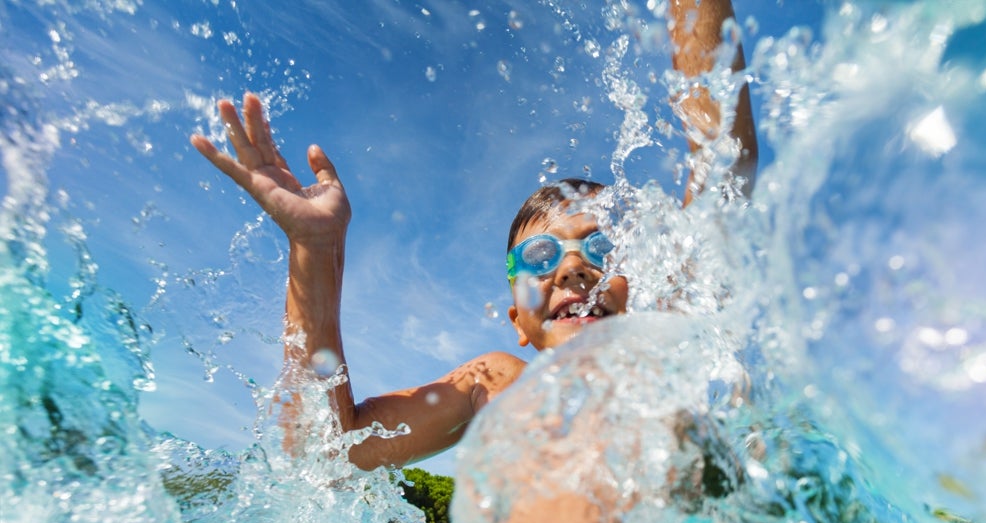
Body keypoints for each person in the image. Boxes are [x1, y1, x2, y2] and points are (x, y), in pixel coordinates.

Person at [190, 0, 757, 472]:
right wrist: (314, 253)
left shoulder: (677, 365)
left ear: (639, 285)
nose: (576, 268)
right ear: (518, 321)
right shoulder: (497, 383)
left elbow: (723, 167)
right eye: (540, 256)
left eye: (603, 249)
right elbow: (330, 449)